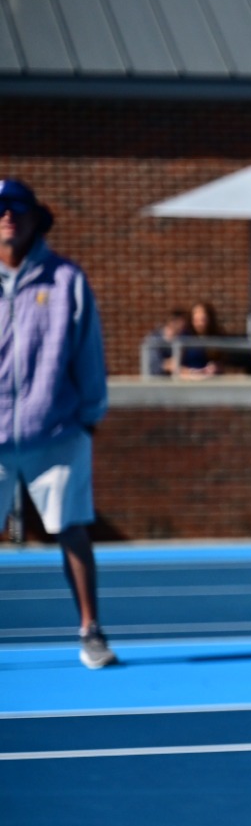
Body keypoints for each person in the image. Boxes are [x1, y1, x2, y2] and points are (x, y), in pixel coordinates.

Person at [0, 179, 116, 669]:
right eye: (0, 209)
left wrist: (88, 418)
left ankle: (91, 630)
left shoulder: (66, 279)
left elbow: (88, 354)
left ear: (34, 219)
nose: (8, 217)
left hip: (58, 431)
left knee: (71, 530)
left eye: (18, 209)